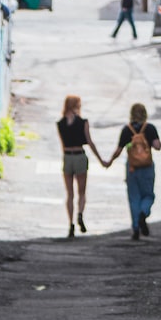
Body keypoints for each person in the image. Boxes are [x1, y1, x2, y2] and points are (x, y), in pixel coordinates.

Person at [105, 103, 161, 240]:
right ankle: (144, 212)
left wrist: (109, 162)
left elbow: (118, 151)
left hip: (132, 168)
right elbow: (157, 146)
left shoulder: (127, 130)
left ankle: (136, 228)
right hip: (147, 167)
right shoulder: (149, 128)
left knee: (133, 197)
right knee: (148, 195)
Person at [56, 95, 106, 238]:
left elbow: (62, 145)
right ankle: (80, 214)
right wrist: (101, 160)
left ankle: (70, 224)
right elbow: (90, 142)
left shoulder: (60, 123)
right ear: (77, 105)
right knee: (81, 192)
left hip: (67, 156)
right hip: (80, 156)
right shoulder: (83, 122)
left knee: (69, 194)